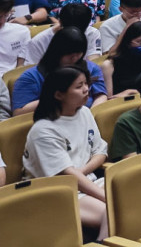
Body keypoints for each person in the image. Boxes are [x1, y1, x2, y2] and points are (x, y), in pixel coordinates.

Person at [22, 66, 110, 239]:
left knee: (136, 195)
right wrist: (108, 197)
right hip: (56, 193)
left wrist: (82, 172)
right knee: (113, 211)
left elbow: (100, 151)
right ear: (58, 94)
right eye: (78, 86)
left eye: (86, 83)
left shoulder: (85, 112)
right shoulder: (43, 130)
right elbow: (66, 174)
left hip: (87, 181)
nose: (86, 89)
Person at [100, 20, 141, 97]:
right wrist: (126, 93)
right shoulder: (109, 65)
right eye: (139, 42)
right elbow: (107, 99)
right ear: (128, 41)